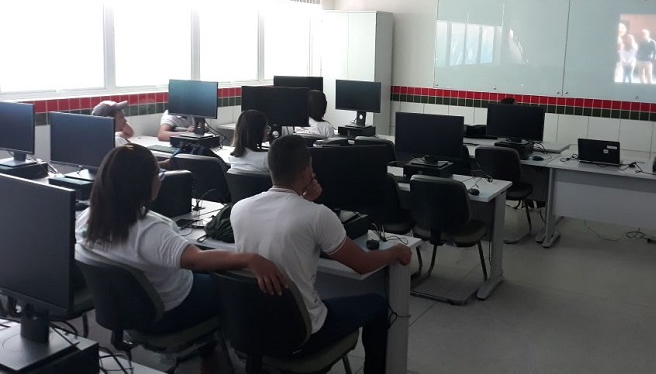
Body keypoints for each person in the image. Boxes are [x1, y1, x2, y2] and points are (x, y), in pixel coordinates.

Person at [230, 135, 412, 374]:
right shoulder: (317, 215)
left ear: (270, 168)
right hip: (301, 334)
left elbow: (285, 224)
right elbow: (362, 264)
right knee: (377, 305)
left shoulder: (239, 208)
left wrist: (304, 201)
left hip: (254, 330)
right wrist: (395, 252)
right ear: (306, 171)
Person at [75, 144, 286, 340]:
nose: (160, 180)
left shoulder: (87, 218)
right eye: (158, 175)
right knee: (236, 285)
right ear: (143, 183)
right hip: (172, 310)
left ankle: (209, 353)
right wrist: (250, 258)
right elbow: (196, 260)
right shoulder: (149, 230)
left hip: (128, 309)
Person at [229, 110, 270, 174]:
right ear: (258, 131)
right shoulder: (266, 158)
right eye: (266, 128)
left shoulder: (232, 157)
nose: (267, 131)